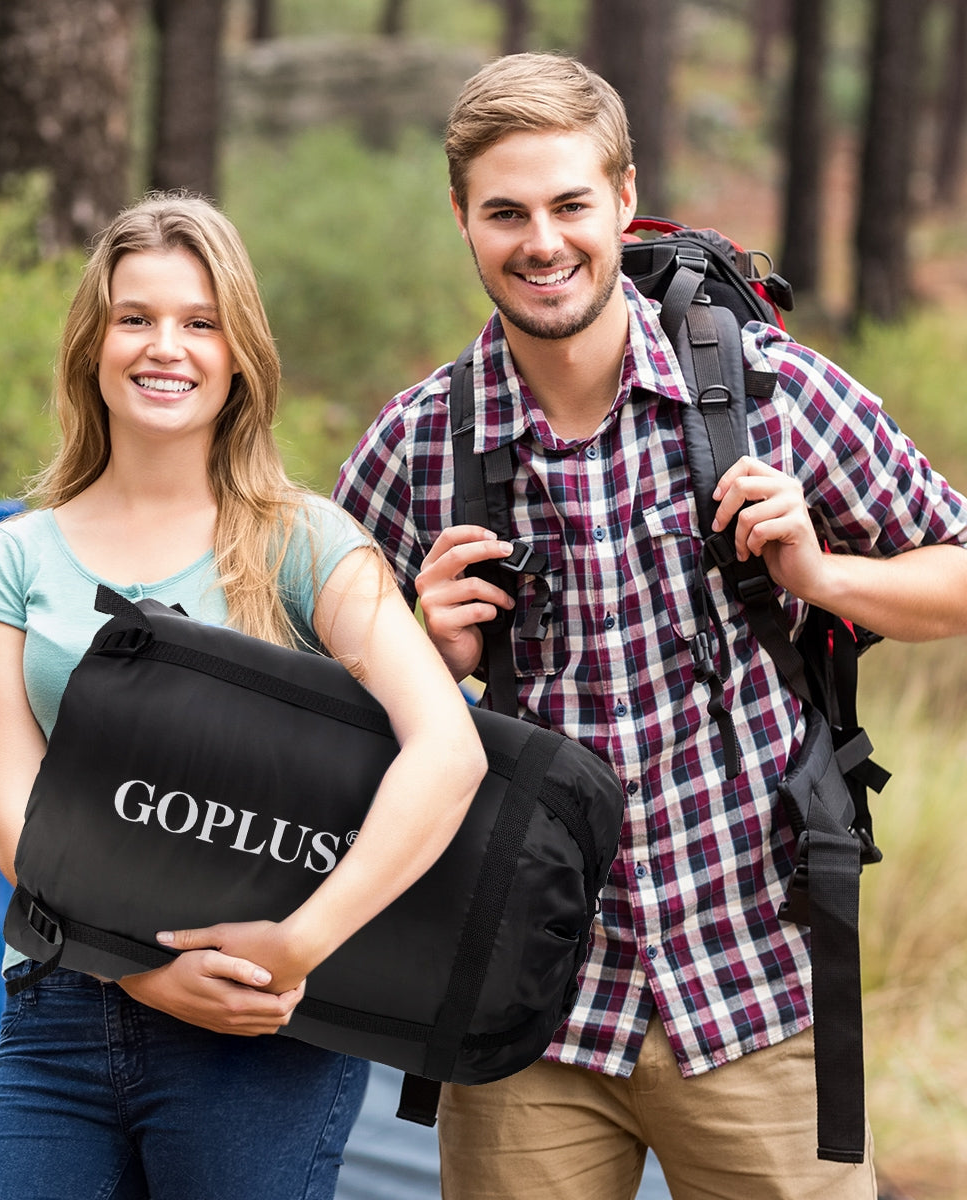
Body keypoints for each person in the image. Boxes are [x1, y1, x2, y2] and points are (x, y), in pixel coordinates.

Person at [333, 51, 967, 1200]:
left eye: (572, 203)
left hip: (755, 983)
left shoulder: (779, 397)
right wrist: (422, 655)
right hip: (521, 1012)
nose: (543, 240)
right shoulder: (412, 448)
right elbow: (313, 710)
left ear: (623, 200)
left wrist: (824, 575)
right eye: (506, 212)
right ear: (463, 222)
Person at [0, 191, 486, 1200]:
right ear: (92, 346)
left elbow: (447, 750)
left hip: (259, 1032)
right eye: (136, 318)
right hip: (64, 1013)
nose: (168, 347)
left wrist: (300, 945)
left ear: (239, 353)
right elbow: (16, 825)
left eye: (201, 322)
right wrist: (141, 973)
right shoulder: (11, 563)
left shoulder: (306, 541)